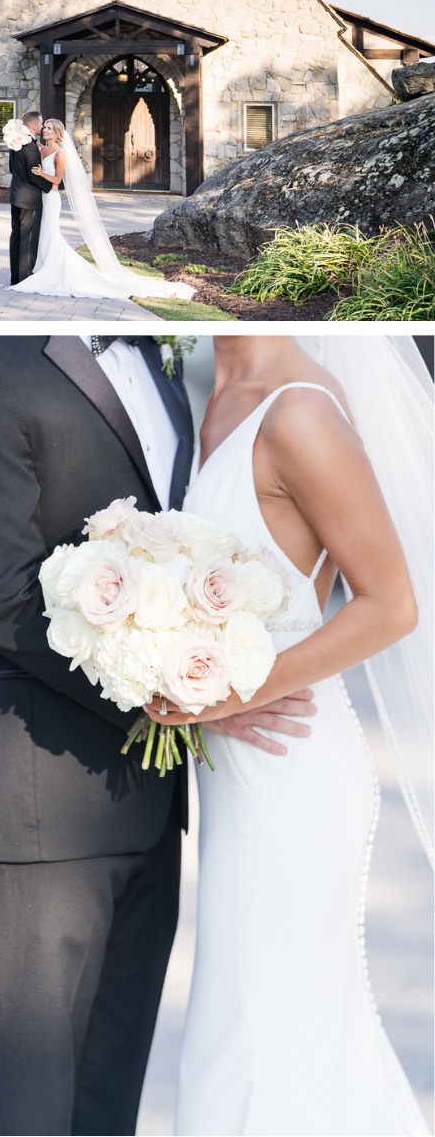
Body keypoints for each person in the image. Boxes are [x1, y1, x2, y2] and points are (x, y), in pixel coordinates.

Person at [0, 335, 319, 1136]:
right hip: (27, 808)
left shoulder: (161, 367)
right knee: (24, 1114)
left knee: (108, 1111)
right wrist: (180, 699)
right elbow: (1, 600)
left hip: (148, 807)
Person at [147, 335, 431, 1136]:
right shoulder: (207, 389)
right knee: (257, 1033)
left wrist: (220, 693)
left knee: (258, 1039)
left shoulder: (299, 410)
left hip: (293, 766)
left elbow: (391, 604)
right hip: (239, 780)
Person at [10, 118, 194, 302]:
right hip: (39, 198)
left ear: (57, 132)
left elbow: (58, 180)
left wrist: (42, 173)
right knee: (41, 234)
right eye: (44, 127)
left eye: (48, 128)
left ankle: (52, 268)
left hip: (51, 198)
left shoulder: (59, 154)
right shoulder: (40, 149)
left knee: (51, 233)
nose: (44, 130)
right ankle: (39, 267)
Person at [8, 112, 52, 285]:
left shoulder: (15, 143)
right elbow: (34, 176)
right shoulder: (31, 147)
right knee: (29, 238)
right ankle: (25, 279)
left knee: (16, 236)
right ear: (34, 126)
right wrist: (50, 187)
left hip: (15, 196)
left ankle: (15, 278)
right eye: (41, 124)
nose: (42, 127)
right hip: (30, 200)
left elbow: (12, 168)